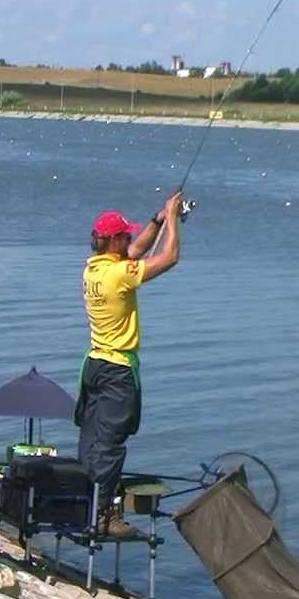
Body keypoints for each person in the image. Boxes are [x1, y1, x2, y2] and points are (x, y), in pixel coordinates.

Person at [75, 190, 183, 538]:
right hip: (117, 372)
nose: (131, 238)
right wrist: (174, 222)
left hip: (94, 365)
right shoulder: (118, 275)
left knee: (91, 441)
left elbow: (135, 252)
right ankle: (104, 514)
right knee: (109, 445)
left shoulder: (94, 269)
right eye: (126, 234)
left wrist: (158, 219)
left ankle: (86, 505)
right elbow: (168, 258)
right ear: (113, 241)